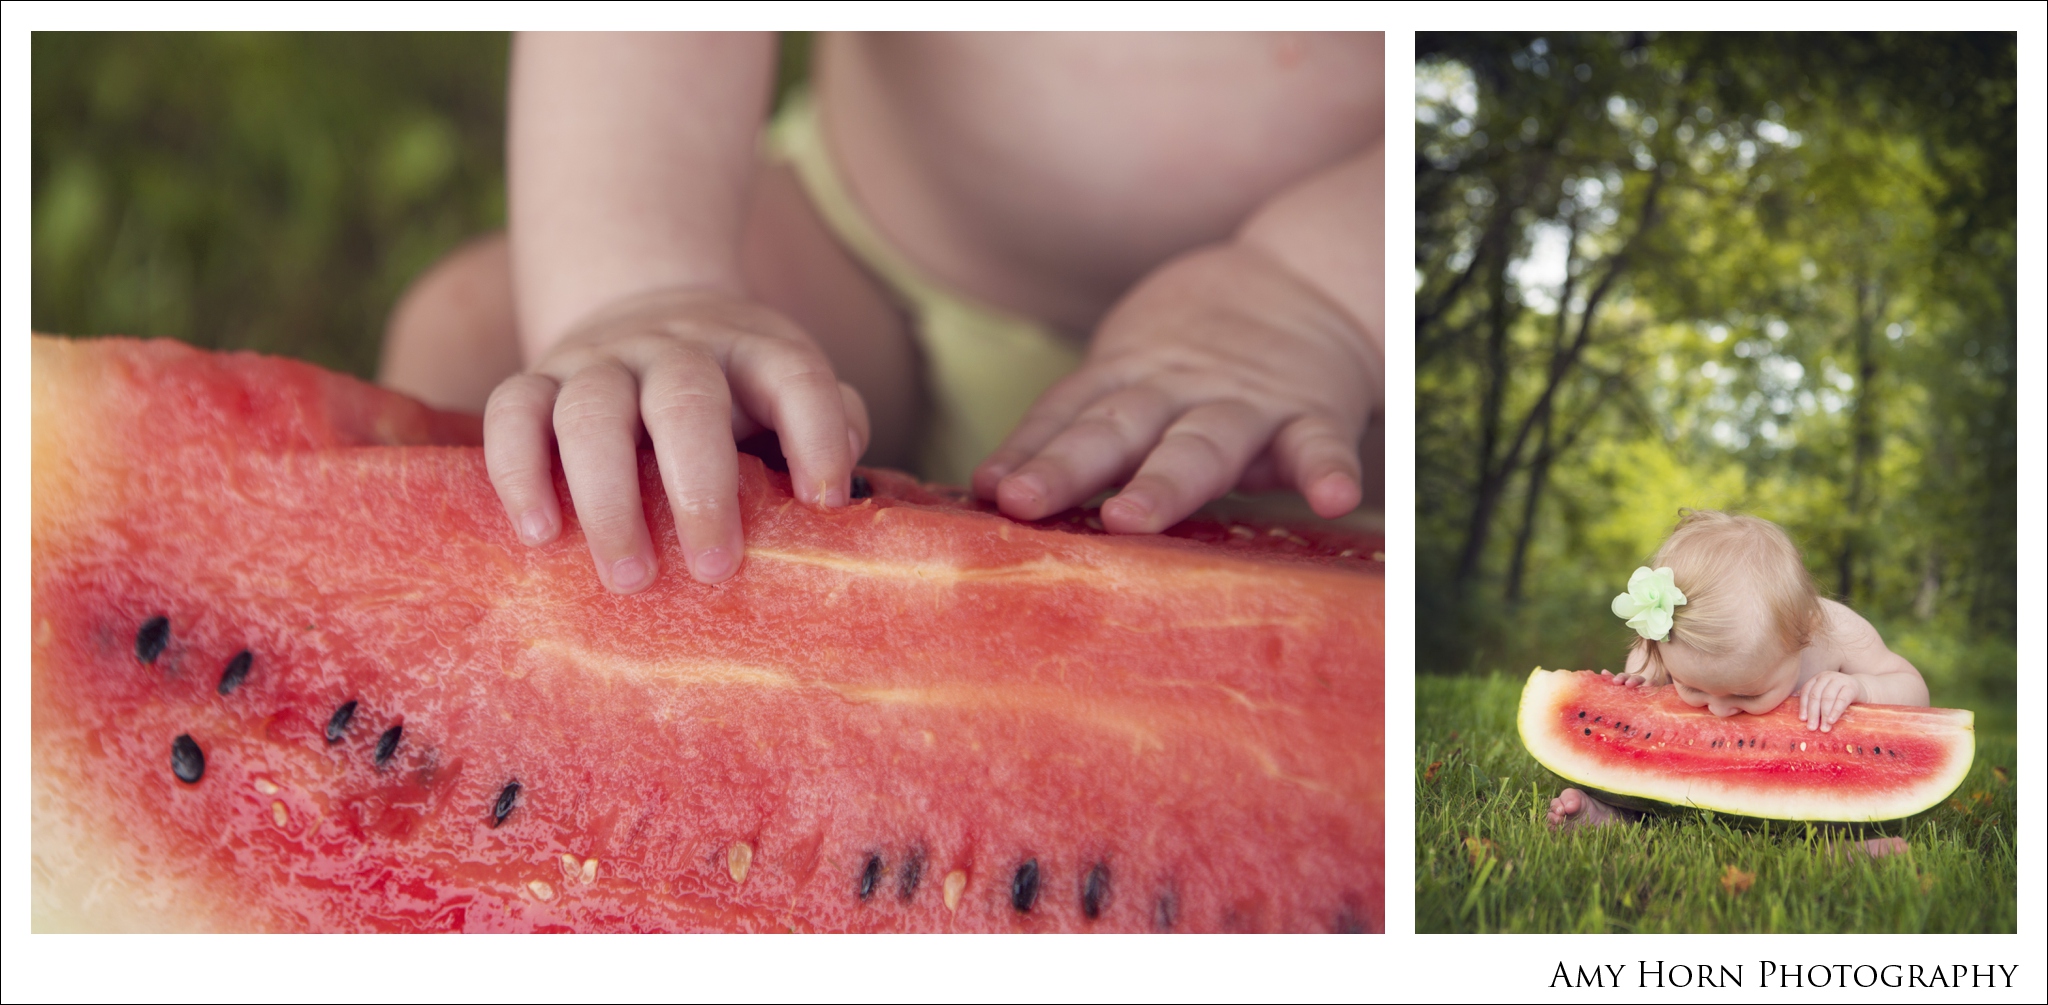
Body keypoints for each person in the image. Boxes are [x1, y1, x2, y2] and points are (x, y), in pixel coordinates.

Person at [378, 32, 1384, 593]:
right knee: (472, 333)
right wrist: (640, 286)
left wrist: (1316, 293)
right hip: (870, 258)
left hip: (1313, 359)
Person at [1546, 511, 1930, 855]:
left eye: (1748, 693)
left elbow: (1914, 691)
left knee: (1828, 808)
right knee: (1652, 793)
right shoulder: (1669, 643)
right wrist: (1640, 683)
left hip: (1804, 786)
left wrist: (1863, 688)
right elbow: (1645, 661)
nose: (1719, 709)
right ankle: (1609, 817)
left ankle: (1839, 850)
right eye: (1692, 688)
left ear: (1804, 635)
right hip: (1689, 783)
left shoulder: (1839, 633)